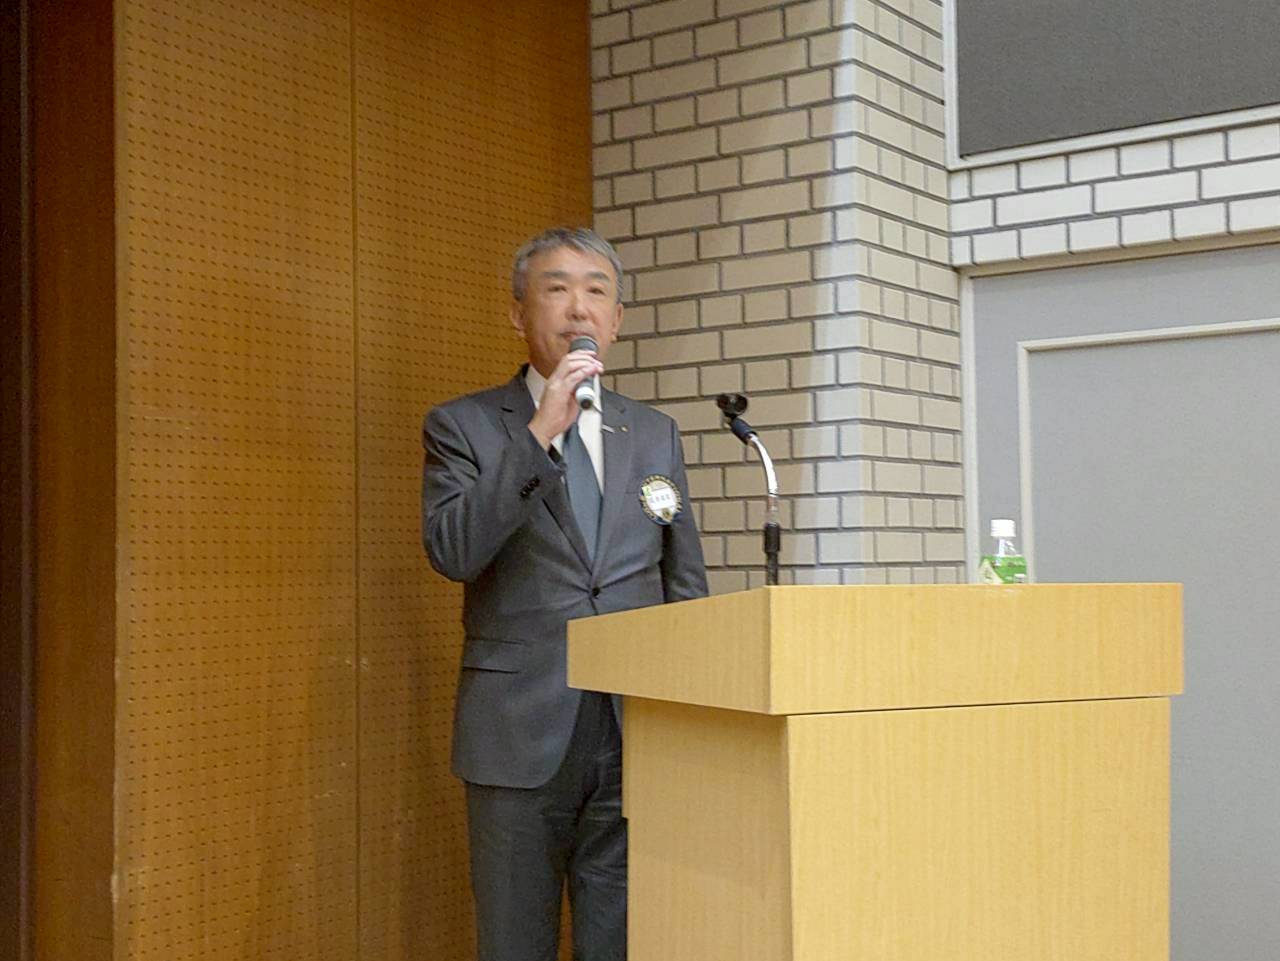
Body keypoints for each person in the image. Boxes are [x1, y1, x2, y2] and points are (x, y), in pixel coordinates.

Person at [421, 227, 708, 961]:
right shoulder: (464, 425)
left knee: (621, 939)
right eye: (557, 289)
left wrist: (687, 715)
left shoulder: (654, 433)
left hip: (633, 729)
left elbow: (683, 581)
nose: (579, 307)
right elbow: (453, 551)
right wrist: (540, 434)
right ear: (518, 313)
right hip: (518, 733)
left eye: (596, 291)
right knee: (515, 940)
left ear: (617, 319)